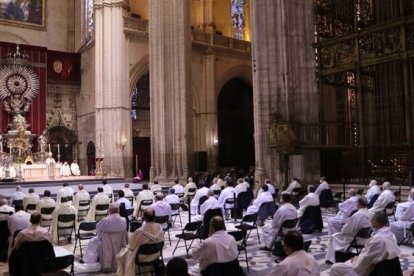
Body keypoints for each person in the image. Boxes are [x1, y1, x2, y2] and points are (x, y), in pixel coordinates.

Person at [329, 212, 401, 276]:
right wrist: (357, 258)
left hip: (370, 269)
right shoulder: (392, 235)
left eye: (373, 220)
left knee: (335, 267)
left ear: (377, 222)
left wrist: (356, 260)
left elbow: (365, 260)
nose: (371, 221)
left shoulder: (377, 240)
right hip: (388, 267)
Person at [116, 208, 164, 276]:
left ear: (143, 218)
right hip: (156, 255)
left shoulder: (139, 232)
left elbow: (131, 247)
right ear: (154, 217)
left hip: (141, 258)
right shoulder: (160, 229)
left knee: (123, 254)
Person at [325, 197, 373, 264]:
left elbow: (345, 230)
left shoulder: (357, 216)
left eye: (356, 203)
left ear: (358, 204)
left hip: (354, 239)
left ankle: (331, 259)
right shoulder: (370, 214)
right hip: (365, 238)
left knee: (334, 236)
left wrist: (342, 231)